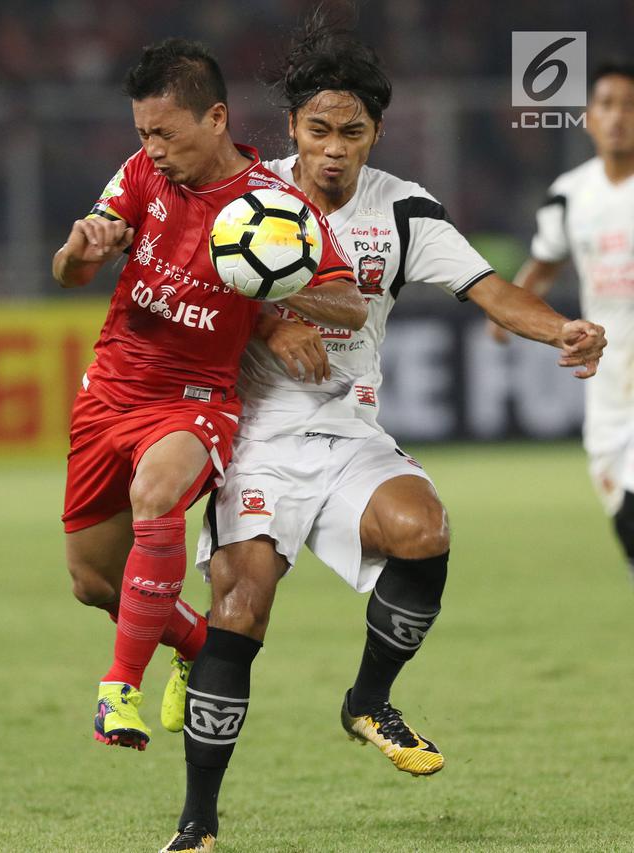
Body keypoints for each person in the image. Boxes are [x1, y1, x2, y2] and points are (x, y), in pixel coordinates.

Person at [159, 22, 607, 853]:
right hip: (255, 436)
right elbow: (180, 284)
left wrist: (562, 331)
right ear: (292, 127)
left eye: (353, 132)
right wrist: (264, 326)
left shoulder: (402, 211)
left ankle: (368, 698)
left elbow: (490, 287)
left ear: (378, 134)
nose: (335, 150)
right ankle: (197, 824)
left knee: (425, 527)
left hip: (346, 430)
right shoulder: (245, 196)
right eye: (319, 130)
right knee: (242, 611)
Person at [52, 36, 366, 752]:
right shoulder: (139, 175)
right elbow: (69, 272)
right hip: (110, 392)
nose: (152, 147)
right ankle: (196, 647)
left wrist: (278, 290)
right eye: (142, 133)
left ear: (216, 118)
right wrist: (80, 251)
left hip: (194, 398)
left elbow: (348, 304)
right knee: (93, 583)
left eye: (164, 131)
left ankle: (116, 692)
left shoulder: (275, 209)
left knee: (156, 496)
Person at [489, 62, 634, 579]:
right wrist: (507, 309)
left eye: (629, 105)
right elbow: (546, 263)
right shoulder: (572, 194)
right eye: (608, 104)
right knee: (623, 516)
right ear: (588, 117)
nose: (619, 117)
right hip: (610, 382)